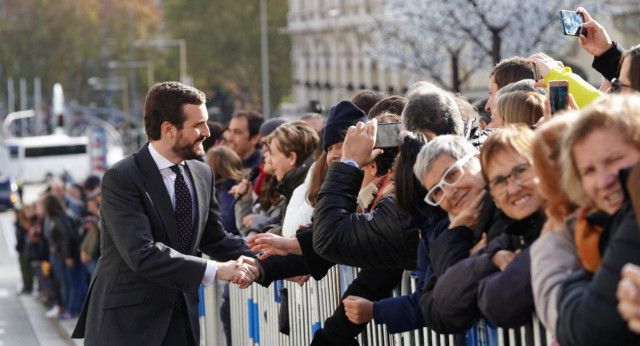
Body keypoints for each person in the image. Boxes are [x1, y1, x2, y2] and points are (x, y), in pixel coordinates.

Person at [71, 82, 258, 346]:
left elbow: (216, 239)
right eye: (198, 125)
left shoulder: (202, 173)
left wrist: (268, 259)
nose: (207, 132)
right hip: (127, 328)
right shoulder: (122, 177)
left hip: (182, 325)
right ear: (168, 129)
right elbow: (141, 253)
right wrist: (215, 270)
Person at [555, 94, 640, 346]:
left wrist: (578, 277)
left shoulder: (633, 214)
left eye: (613, 160)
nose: (603, 181)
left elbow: (589, 330)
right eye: (588, 171)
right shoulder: (595, 225)